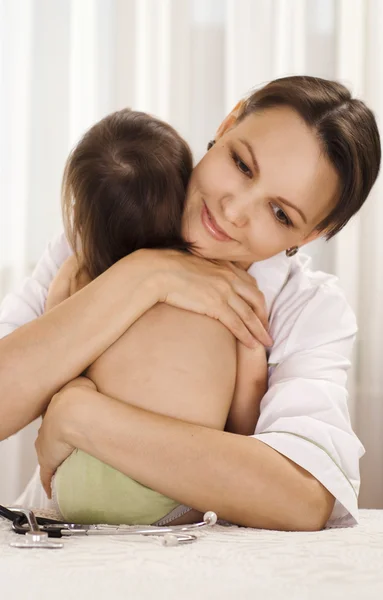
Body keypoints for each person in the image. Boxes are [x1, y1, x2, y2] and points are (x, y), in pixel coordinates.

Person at [0, 75, 381, 531]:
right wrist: (145, 275)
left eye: (280, 214)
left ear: (313, 233)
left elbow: (300, 499)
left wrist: (82, 417)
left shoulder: (308, 309)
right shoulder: (110, 219)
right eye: (242, 164)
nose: (234, 210)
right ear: (227, 123)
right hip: (52, 543)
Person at [46, 108, 269, 526]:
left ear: (81, 213)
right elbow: (247, 405)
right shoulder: (233, 286)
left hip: (81, 477)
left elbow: (52, 361)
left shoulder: (79, 272)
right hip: (178, 487)